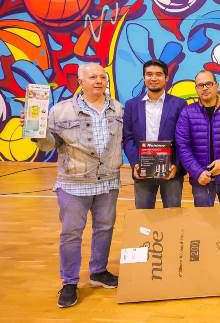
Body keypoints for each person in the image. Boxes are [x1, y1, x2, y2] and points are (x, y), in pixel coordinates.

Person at [28, 63, 122, 308]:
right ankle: (69, 281)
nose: (99, 81)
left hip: (108, 181)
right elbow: (49, 144)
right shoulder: (60, 111)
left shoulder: (118, 109)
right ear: (81, 82)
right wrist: (35, 129)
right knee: (71, 234)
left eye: (102, 77)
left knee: (105, 228)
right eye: (93, 77)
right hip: (73, 183)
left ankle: (98, 271)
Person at [175, 70, 220, 206]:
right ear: (196, 89)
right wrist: (197, 172)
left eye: (208, 84)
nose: (205, 88)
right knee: (204, 219)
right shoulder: (187, 112)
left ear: (217, 85)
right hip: (201, 180)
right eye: (200, 85)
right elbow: (182, 146)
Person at [123, 60, 186, 209]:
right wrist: (135, 163)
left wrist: (176, 165)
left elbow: (183, 140)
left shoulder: (179, 104)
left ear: (166, 78)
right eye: (149, 74)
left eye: (158, 74)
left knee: (172, 215)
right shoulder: (131, 105)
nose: (153, 78)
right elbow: (127, 138)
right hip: (142, 170)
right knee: (143, 215)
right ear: (144, 77)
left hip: (171, 172)